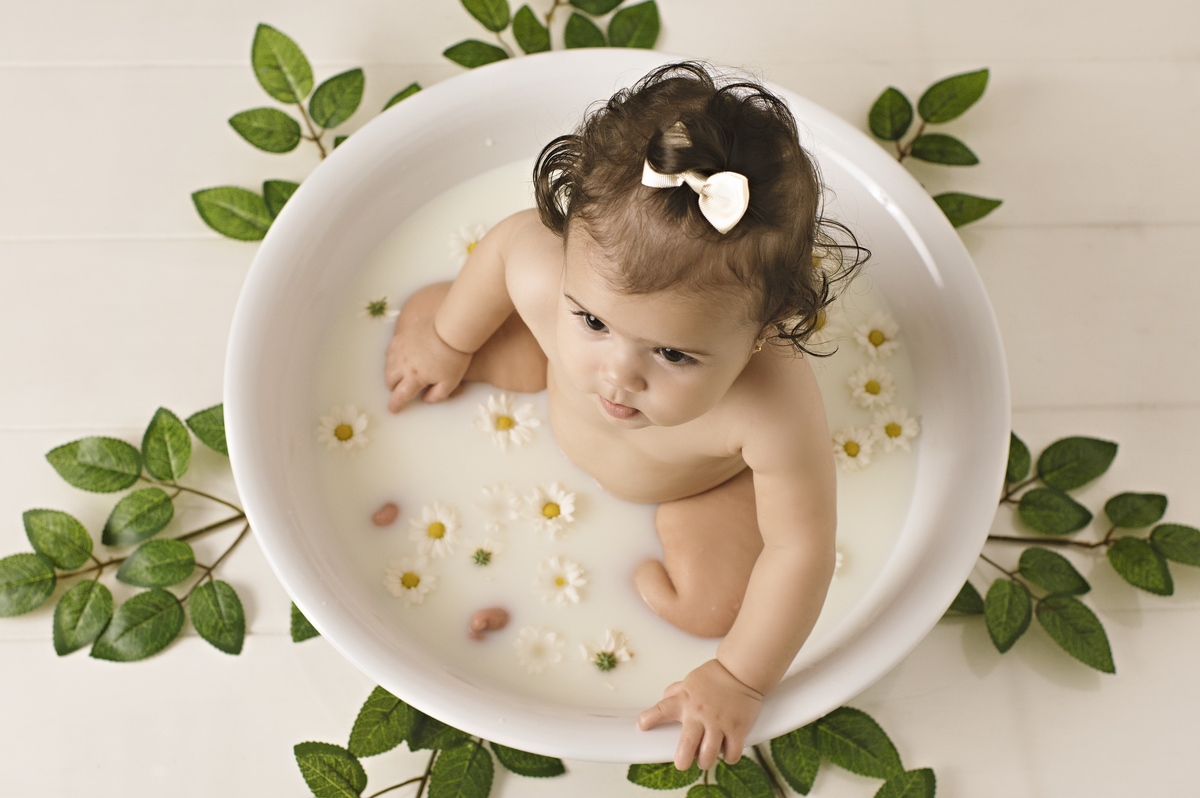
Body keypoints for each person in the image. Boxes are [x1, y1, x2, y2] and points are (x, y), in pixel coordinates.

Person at [383, 61, 865, 772]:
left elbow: (803, 549)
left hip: (693, 482)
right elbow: (508, 247)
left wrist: (739, 678)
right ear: (572, 252)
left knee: (716, 610)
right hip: (555, 389)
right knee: (436, 318)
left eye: (673, 352)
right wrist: (452, 339)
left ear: (764, 332)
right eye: (595, 320)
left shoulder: (769, 410)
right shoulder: (552, 284)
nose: (618, 375)